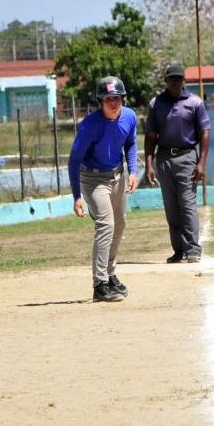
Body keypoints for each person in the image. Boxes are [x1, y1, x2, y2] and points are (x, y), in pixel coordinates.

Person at [68, 76, 139, 303]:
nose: (113, 103)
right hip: (92, 178)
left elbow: (130, 143)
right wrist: (77, 196)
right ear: (100, 101)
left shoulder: (129, 117)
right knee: (106, 224)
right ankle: (99, 284)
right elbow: (73, 160)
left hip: (117, 175)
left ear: (123, 99)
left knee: (120, 224)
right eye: (107, 98)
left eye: (117, 98)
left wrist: (134, 170)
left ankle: (109, 274)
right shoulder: (90, 125)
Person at [144, 62, 211, 264]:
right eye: (171, 79)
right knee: (171, 208)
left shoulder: (195, 102)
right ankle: (179, 250)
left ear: (184, 81)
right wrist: (149, 164)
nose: (175, 82)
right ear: (166, 81)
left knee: (187, 205)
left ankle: (193, 249)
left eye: (179, 79)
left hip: (187, 157)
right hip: (164, 158)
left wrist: (201, 163)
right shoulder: (156, 104)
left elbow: (205, 132)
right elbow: (150, 136)